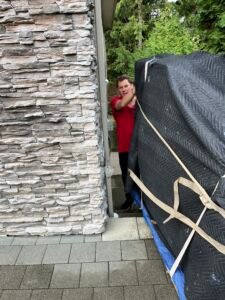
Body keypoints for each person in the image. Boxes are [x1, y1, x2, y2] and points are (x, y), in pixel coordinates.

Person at [111, 75, 136, 209]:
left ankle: (144, 202)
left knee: (141, 175)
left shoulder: (139, 102)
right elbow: (122, 104)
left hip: (140, 146)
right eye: (121, 87)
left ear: (131, 85)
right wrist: (133, 92)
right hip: (125, 147)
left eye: (126, 86)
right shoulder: (116, 101)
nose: (124, 89)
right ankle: (129, 201)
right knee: (127, 176)